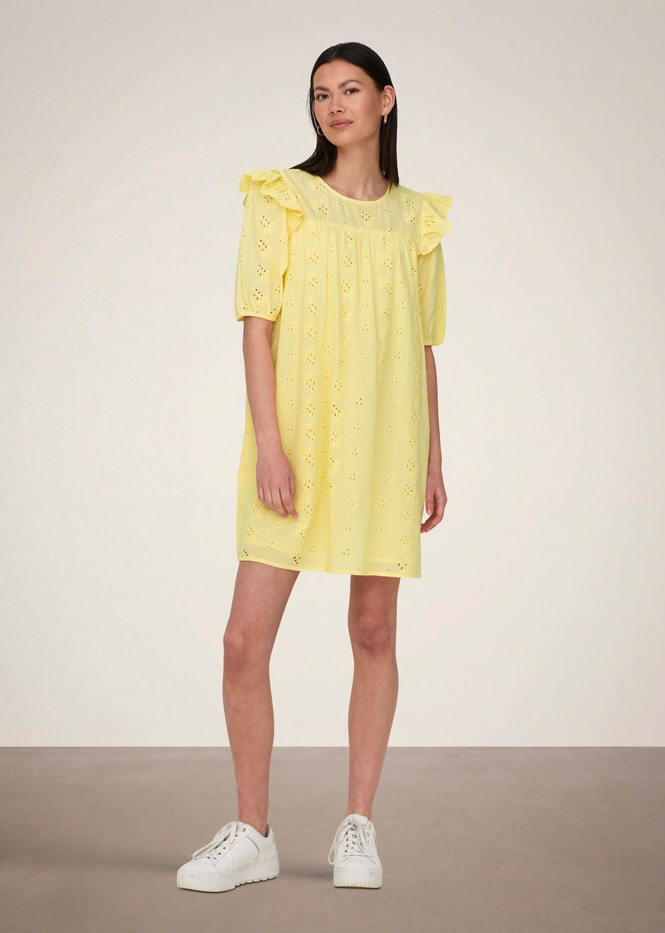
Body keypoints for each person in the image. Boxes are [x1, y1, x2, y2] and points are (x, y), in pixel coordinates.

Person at [177, 41, 452, 893]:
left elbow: (423, 345)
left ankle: (357, 824)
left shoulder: (415, 219)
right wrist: (270, 443)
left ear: (386, 100)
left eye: (350, 90)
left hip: (387, 442)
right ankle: (252, 831)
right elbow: (256, 326)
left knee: (373, 631)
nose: (333, 106)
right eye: (320, 94)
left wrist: (433, 456)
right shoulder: (281, 199)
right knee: (242, 641)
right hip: (294, 444)